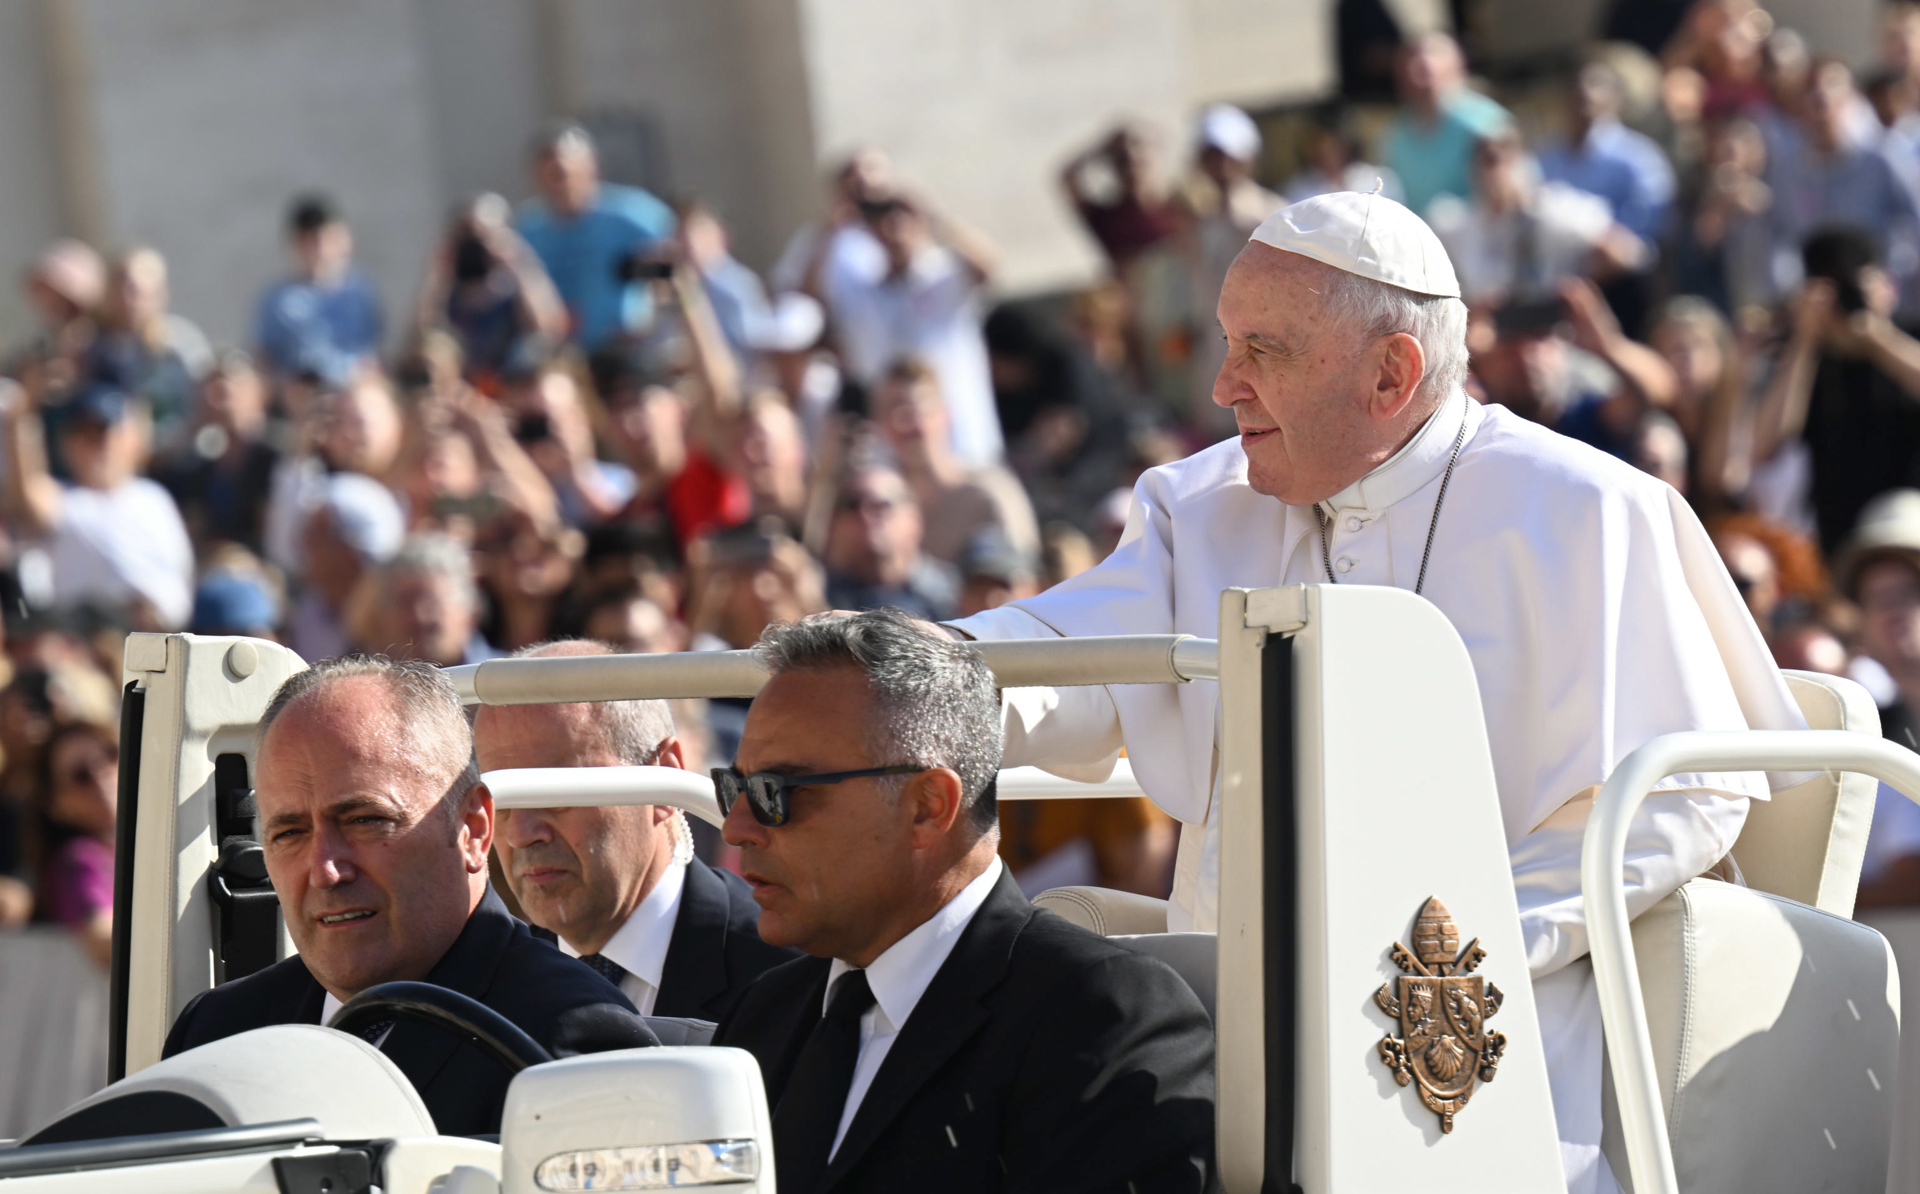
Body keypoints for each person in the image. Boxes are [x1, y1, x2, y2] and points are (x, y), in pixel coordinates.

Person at [946, 190, 1803, 1194]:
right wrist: (926, 672)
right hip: (1224, 1018)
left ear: (1392, 373)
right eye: (1226, 342)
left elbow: (1675, 795)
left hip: (1475, 1012)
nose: (1223, 385)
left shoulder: (1586, 510)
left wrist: (1446, 948)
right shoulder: (1201, 502)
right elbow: (1072, 652)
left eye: (1263, 349)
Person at [713, 610, 1215, 1193]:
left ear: (928, 805)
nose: (736, 827)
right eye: (735, 788)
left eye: (778, 792)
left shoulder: (1101, 1015)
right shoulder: (767, 1013)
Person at [162, 657, 657, 1136]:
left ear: (473, 827)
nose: (325, 870)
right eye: (289, 833)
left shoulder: (568, 1040)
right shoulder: (217, 1034)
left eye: (364, 820)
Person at [475, 640, 798, 1020]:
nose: (520, 834)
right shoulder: (486, 991)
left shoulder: (791, 977)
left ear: (664, 776)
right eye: (501, 798)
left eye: (556, 790)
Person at [1751, 227, 1920, 554]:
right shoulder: (1806, 362)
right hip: (1841, 542)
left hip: (1913, 525)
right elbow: (1766, 446)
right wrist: (1805, 339)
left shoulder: (1909, 337)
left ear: (1888, 286)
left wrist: (1878, 339)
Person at [821, 193, 1005, 467]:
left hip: (965, 444)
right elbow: (813, 292)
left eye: (901, 219)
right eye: (883, 220)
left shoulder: (943, 274)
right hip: (895, 452)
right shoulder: (862, 290)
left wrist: (933, 215)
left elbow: (989, 267)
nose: (894, 229)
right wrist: (831, 229)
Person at [2, 380, 194, 630]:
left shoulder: (155, 498)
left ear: (130, 438)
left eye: (105, 431)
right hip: (92, 644)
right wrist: (20, 419)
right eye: (85, 435)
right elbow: (26, 493)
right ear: (67, 444)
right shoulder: (65, 501)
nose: (99, 445)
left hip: (166, 640)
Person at [1830, 490, 1920, 908]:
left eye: (1909, 590)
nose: (1894, 613)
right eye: (1877, 598)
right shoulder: (1868, 731)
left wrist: (1826, 908)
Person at [514, 124, 676, 350]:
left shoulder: (630, 213)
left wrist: (652, 303)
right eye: (550, 174)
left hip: (625, 348)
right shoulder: (528, 229)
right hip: (562, 353)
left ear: (591, 166)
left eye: (564, 173)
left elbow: (681, 261)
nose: (560, 183)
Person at [872, 359, 1039, 567]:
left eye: (912, 410)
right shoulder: (876, 507)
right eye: (891, 410)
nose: (901, 422)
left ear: (943, 415)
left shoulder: (988, 493)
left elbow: (1026, 577)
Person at [1538, 60, 1678, 246]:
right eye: (1575, 88)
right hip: (1561, 264)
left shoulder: (1639, 156)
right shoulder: (1550, 158)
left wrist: (1607, 242)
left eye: (1595, 84)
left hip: (1622, 264)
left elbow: (1653, 217)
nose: (1583, 91)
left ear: (1616, 100)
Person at [253, 194, 384, 384]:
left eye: (328, 239)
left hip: (355, 391)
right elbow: (264, 360)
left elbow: (374, 352)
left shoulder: (361, 293)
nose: (320, 250)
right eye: (311, 241)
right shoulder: (278, 300)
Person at [1380, 31, 1512, 214]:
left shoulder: (1486, 124)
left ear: (1457, 66)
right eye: (1408, 66)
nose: (1416, 74)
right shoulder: (1395, 135)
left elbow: (1509, 195)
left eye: (1425, 69)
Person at [823, 464, 960, 621]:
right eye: (852, 505)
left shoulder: (956, 596)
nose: (865, 515)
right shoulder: (819, 595)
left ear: (914, 517)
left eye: (881, 505)